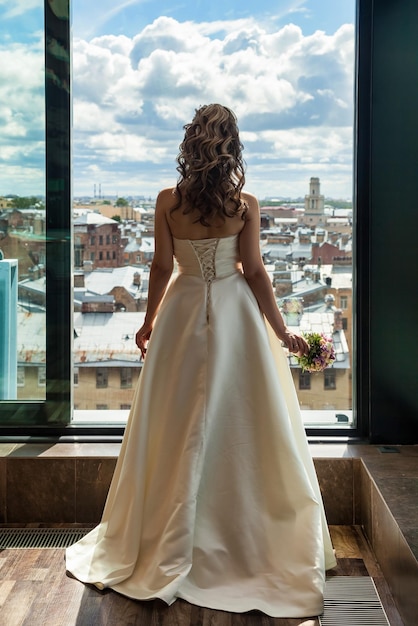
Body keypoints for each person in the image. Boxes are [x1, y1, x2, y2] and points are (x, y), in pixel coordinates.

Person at [66, 103, 336, 618]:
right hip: (234, 315)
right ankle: (243, 536)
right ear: (232, 147)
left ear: (191, 143)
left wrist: (148, 323)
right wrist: (281, 334)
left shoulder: (169, 201)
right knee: (244, 421)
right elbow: (253, 271)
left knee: (175, 420)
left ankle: (167, 536)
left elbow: (162, 266)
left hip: (183, 312)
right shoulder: (246, 204)